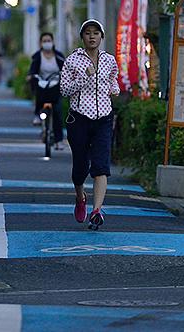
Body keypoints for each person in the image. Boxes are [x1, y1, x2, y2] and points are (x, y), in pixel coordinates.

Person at [60, 19, 119, 230]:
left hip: (104, 117)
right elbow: (64, 90)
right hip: (79, 119)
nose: (92, 36)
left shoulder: (109, 60)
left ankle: (97, 210)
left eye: (96, 33)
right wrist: (84, 78)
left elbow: (113, 80)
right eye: (88, 33)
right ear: (82, 37)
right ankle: (79, 196)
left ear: (101, 37)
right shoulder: (73, 61)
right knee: (80, 167)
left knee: (101, 165)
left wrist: (115, 89)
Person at [27, 33, 66, 148]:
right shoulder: (37, 56)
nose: (47, 43)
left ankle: (59, 141)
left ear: (53, 42)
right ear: (40, 43)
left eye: (49, 40)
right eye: (44, 41)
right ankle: (37, 114)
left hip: (55, 84)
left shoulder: (58, 56)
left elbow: (66, 69)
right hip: (42, 84)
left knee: (58, 111)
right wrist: (30, 76)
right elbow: (32, 70)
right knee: (39, 94)